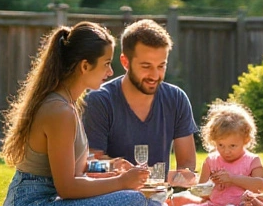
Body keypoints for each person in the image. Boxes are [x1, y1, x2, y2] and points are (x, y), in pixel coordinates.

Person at [0, 22, 164, 206]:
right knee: (134, 201)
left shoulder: (68, 104)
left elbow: (78, 170)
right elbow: (67, 188)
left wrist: (112, 168)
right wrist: (121, 182)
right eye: (106, 63)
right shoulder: (59, 111)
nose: (110, 71)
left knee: (141, 199)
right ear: (85, 66)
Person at [83, 20, 198, 186]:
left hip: (159, 197)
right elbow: (90, 166)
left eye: (161, 66)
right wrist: (117, 167)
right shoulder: (100, 101)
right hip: (111, 197)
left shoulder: (176, 99)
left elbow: (187, 166)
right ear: (125, 62)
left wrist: (179, 180)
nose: (155, 75)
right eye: (146, 66)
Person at [169, 102, 263, 206]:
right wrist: (212, 185)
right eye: (221, 145)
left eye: (232, 146)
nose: (226, 151)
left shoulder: (252, 160)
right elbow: (202, 193)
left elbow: (260, 186)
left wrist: (232, 178)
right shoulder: (211, 161)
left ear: (246, 140)